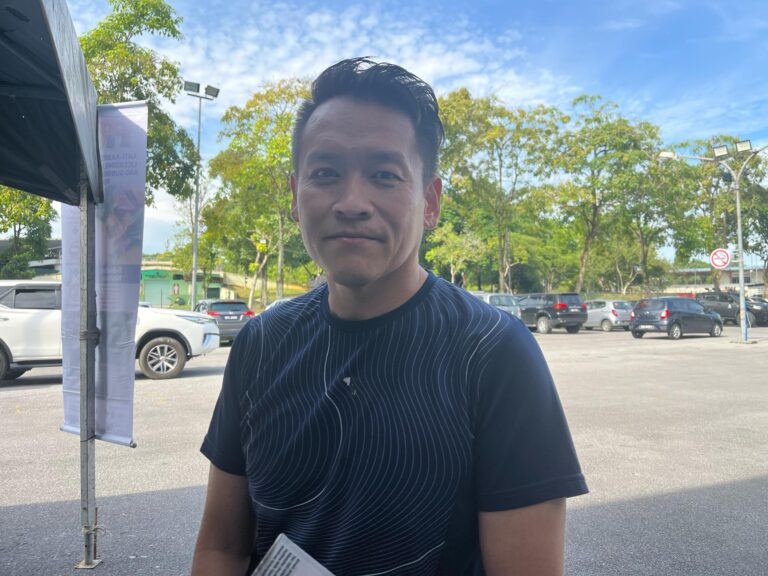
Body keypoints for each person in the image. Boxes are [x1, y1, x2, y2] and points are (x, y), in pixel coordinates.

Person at [192, 57, 587, 576]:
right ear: (295, 196)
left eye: (384, 175)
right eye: (326, 173)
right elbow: (222, 548)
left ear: (430, 201)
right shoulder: (261, 343)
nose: (352, 202)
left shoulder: (494, 351)